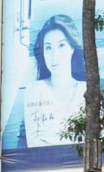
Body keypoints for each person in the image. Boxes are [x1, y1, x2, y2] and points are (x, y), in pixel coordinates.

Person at [23, 14, 87, 148]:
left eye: (61, 45)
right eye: (48, 47)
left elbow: (99, 137)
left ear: (72, 48)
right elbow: (33, 143)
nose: (54, 55)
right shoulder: (35, 90)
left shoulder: (88, 90)